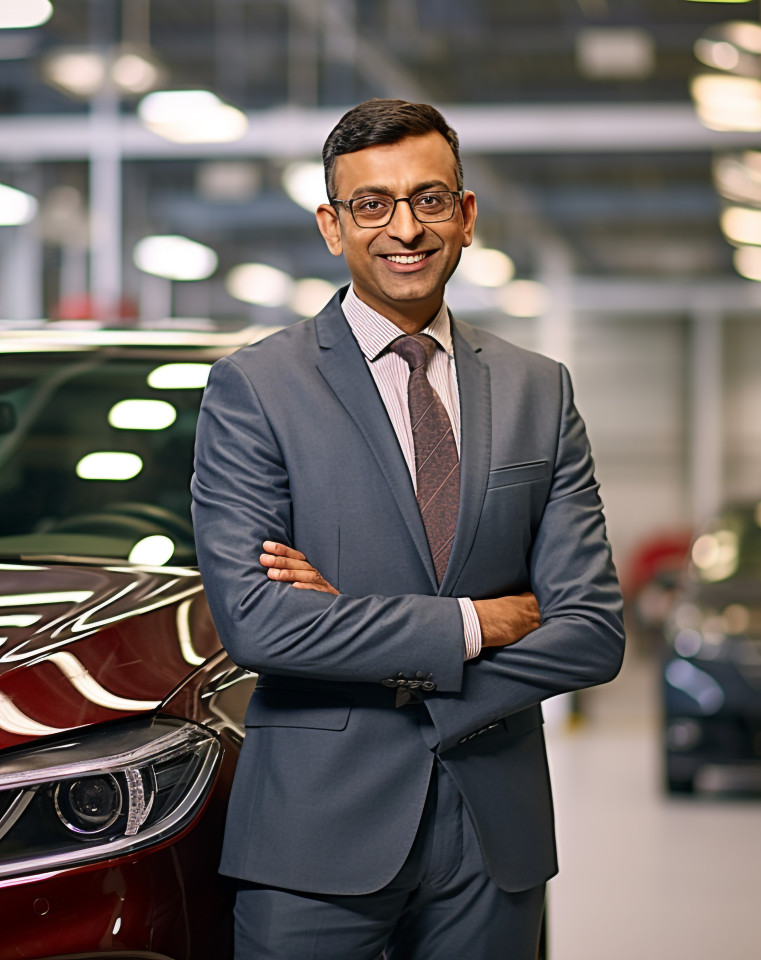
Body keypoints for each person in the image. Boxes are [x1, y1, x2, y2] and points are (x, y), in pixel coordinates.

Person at [191, 98, 624, 960]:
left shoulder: (541, 389)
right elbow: (259, 622)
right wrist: (476, 621)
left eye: (429, 200)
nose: (404, 229)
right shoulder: (257, 389)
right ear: (332, 224)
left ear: (464, 217)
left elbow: (593, 635)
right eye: (371, 204)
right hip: (315, 833)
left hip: (491, 836)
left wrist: (355, 632)